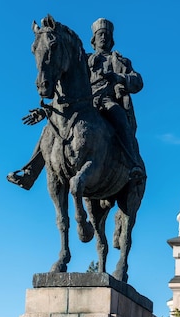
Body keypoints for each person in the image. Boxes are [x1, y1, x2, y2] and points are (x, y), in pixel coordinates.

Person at [7, 18, 144, 190]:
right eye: (100, 35)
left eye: (107, 35)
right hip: (81, 103)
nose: (103, 38)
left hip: (107, 100)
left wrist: (118, 77)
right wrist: (45, 111)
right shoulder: (82, 59)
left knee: (119, 116)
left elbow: (138, 82)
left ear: (111, 39)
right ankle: (30, 173)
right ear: (93, 40)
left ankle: (133, 164)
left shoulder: (119, 61)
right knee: (50, 129)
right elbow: (64, 82)